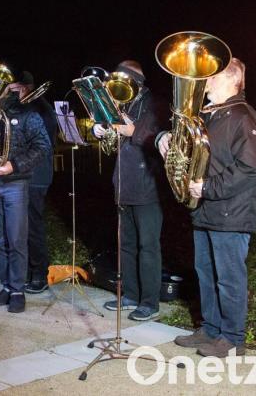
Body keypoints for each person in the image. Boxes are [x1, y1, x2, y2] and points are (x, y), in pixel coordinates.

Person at [159, 58, 256, 357]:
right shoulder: (212, 115)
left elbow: (254, 167)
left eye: (212, 78)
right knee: (205, 273)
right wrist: (168, 140)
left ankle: (232, 339)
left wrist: (208, 188)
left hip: (232, 213)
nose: (205, 83)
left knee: (229, 278)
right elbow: (198, 152)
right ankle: (211, 330)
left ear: (232, 80)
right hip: (206, 210)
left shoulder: (244, 118)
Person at [93, 60, 168, 321]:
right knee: (125, 245)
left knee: (148, 246)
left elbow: (157, 137)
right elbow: (108, 132)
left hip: (148, 185)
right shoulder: (122, 102)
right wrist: (100, 128)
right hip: (123, 183)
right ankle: (131, 295)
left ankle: (150, 302)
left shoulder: (153, 103)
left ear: (135, 81)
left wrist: (132, 129)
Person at [0, 68, 52, 313]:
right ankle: (6, 286)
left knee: (16, 239)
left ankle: (17, 289)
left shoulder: (27, 112)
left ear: (8, 86)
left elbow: (43, 146)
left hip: (15, 183)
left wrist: (13, 165)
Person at [19, 72, 58, 293]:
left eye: (15, 90)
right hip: (23, 174)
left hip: (36, 175)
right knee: (21, 227)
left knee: (33, 226)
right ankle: (25, 271)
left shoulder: (41, 109)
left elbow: (43, 144)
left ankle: (39, 274)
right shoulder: (25, 107)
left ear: (26, 88)